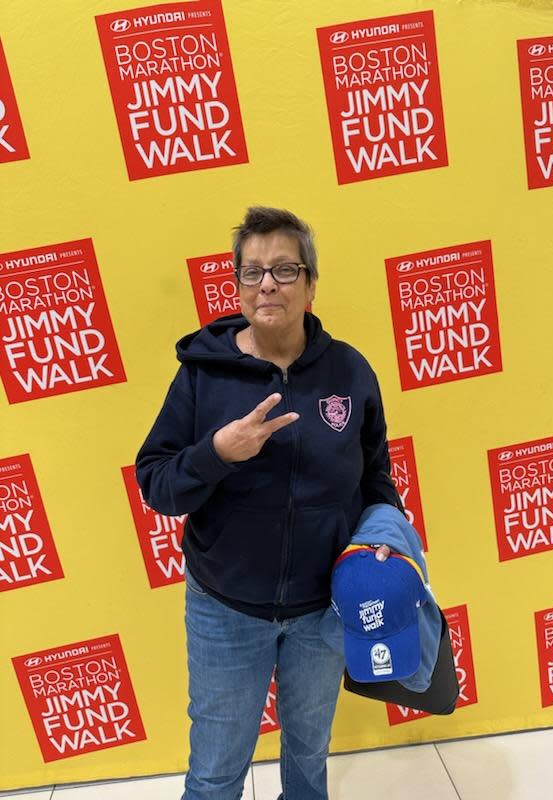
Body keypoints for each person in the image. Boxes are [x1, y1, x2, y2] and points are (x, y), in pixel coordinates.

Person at [135, 206, 404, 800]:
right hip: (225, 610)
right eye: (252, 272)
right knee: (215, 771)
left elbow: (376, 475)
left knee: (308, 762)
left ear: (310, 284)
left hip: (323, 610)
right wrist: (217, 453)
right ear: (236, 286)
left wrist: (387, 535)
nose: (267, 285)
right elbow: (156, 484)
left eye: (285, 269)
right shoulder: (203, 376)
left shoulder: (349, 372)